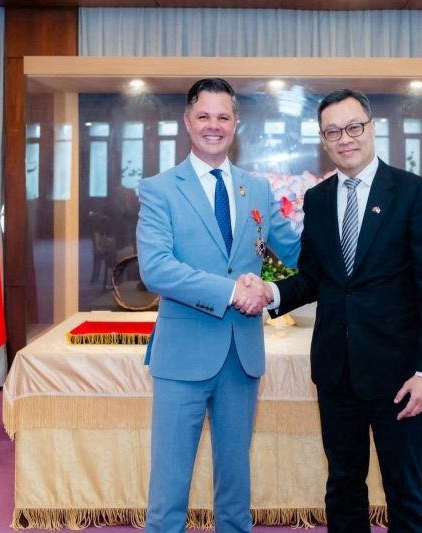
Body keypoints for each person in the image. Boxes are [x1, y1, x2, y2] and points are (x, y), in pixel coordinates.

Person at [267, 89, 422, 532]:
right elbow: (314, 277)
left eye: (354, 127)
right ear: (323, 139)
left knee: (404, 490)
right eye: (333, 131)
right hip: (336, 373)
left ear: (371, 128)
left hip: (399, 378)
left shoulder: (413, 193)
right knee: (343, 485)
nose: (345, 138)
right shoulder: (317, 199)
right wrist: (270, 295)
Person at [136, 78, 300, 533]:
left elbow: (293, 255)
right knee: (168, 492)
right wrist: (231, 292)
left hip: (241, 356)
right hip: (182, 355)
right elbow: (157, 269)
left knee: (235, 491)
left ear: (236, 124)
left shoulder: (258, 190)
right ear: (188, 122)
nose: (214, 125)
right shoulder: (159, 189)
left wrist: (348, 228)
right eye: (204, 116)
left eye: (223, 116)